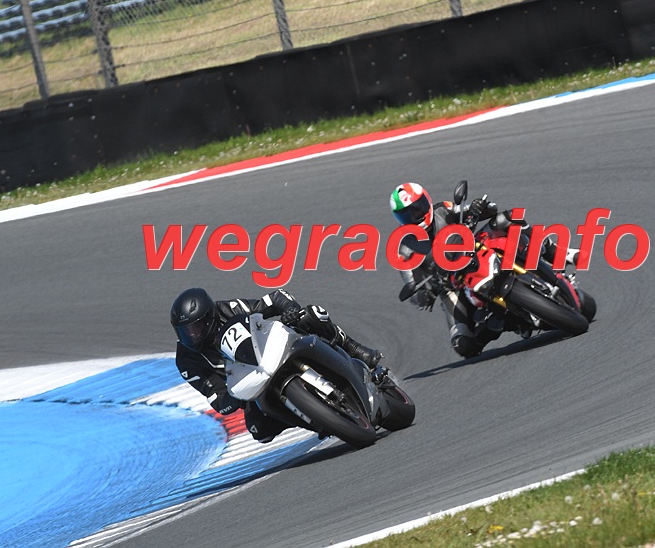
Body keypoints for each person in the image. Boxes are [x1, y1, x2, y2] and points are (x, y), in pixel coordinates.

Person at [171, 286, 382, 443]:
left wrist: (290, 309)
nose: (192, 336)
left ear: (210, 317)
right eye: (185, 332)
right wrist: (233, 397)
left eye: (196, 328)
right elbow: (217, 398)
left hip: (275, 348)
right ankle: (316, 419)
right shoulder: (186, 361)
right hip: (252, 386)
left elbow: (274, 298)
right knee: (259, 431)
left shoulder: (229, 309)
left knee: (311, 315)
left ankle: (353, 348)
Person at [389, 182, 575, 358]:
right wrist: (423, 295)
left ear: (426, 200)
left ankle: (556, 253)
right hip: (450, 286)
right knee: (463, 345)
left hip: (474, 248)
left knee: (509, 217)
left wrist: (478, 208)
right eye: (406, 215)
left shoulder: (442, 209)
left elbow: (485, 209)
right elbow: (412, 286)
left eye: (417, 208)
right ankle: (502, 323)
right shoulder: (405, 249)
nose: (415, 216)